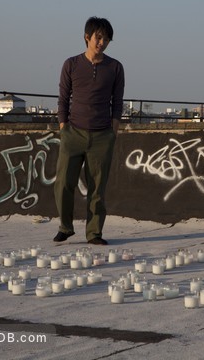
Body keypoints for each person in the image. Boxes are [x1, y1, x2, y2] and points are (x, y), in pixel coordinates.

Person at [53, 17, 125, 245]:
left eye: (106, 39)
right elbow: (63, 99)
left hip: (103, 135)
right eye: (98, 37)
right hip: (73, 133)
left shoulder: (115, 67)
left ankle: (94, 232)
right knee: (63, 183)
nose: (102, 42)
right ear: (87, 37)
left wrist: (113, 130)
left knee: (97, 188)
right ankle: (65, 227)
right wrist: (64, 128)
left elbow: (118, 102)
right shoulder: (71, 64)